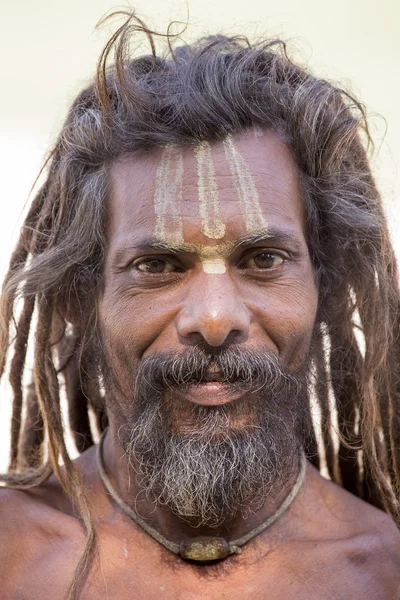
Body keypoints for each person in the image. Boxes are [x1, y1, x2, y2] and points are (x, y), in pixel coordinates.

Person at [0, 11, 399, 600]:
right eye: (157, 266)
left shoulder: (383, 572)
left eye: (263, 259)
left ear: (327, 286)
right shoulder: (12, 556)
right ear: (80, 299)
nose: (214, 320)